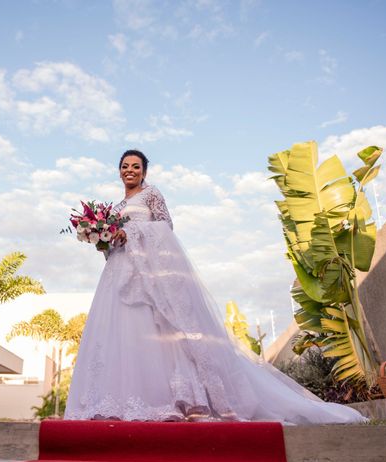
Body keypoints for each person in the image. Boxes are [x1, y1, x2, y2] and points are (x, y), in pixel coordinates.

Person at [64, 149, 366, 424]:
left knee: (163, 332)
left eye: (136, 166)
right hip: (122, 275)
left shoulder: (151, 194)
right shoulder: (115, 207)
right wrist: (104, 240)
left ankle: (179, 399)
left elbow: (166, 226)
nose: (130, 170)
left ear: (144, 172)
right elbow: (111, 249)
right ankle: (124, 400)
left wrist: (132, 231)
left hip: (152, 277)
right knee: (125, 335)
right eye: (125, 166)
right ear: (119, 171)